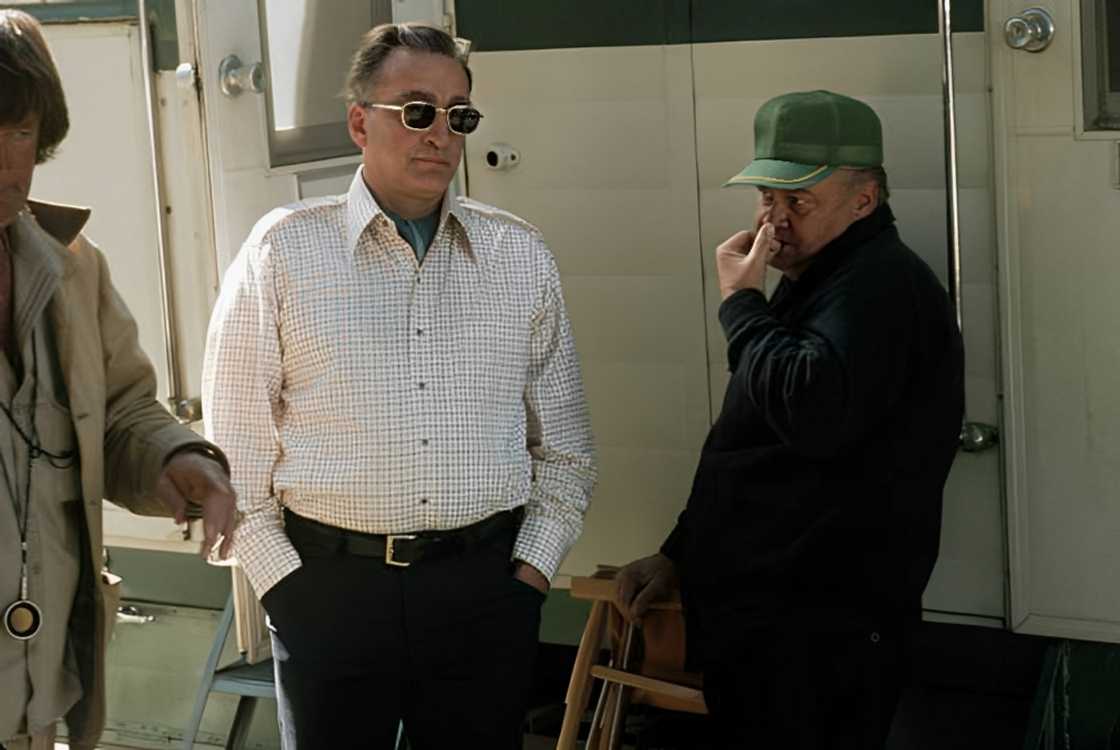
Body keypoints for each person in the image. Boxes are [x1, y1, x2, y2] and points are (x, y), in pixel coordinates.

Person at [202, 23, 596, 750]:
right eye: (416, 111)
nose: (440, 134)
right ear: (360, 122)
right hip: (329, 593)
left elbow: (566, 450)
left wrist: (528, 578)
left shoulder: (520, 256)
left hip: (484, 594)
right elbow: (234, 452)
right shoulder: (283, 252)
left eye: (459, 115)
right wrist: (287, 590)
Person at [615, 90, 965, 748]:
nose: (774, 222)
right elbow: (749, 442)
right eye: (766, 199)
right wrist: (678, 553)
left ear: (865, 198)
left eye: (797, 202)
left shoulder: (880, 286)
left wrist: (741, 305)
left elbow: (811, 414)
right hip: (775, 629)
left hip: (820, 635)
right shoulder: (822, 277)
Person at [0, 10, 237, 750]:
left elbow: (121, 410)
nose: (4, 160)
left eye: (18, 131)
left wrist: (177, 459)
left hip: (41, 697)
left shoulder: (72, 266)